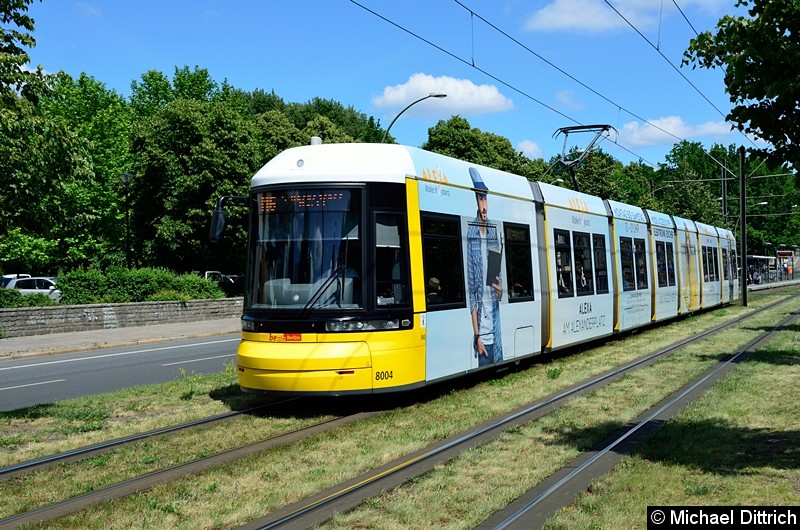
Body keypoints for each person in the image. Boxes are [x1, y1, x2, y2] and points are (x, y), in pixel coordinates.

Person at [467, 167, 503, 367]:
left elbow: (498, 286)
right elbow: (472, 293)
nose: (484, 206)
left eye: (485, 199)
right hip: (482, 330)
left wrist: (499, 290)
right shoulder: (470, 234)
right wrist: (477, 336)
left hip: (495, 328)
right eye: (480, 199)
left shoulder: (492, 233)